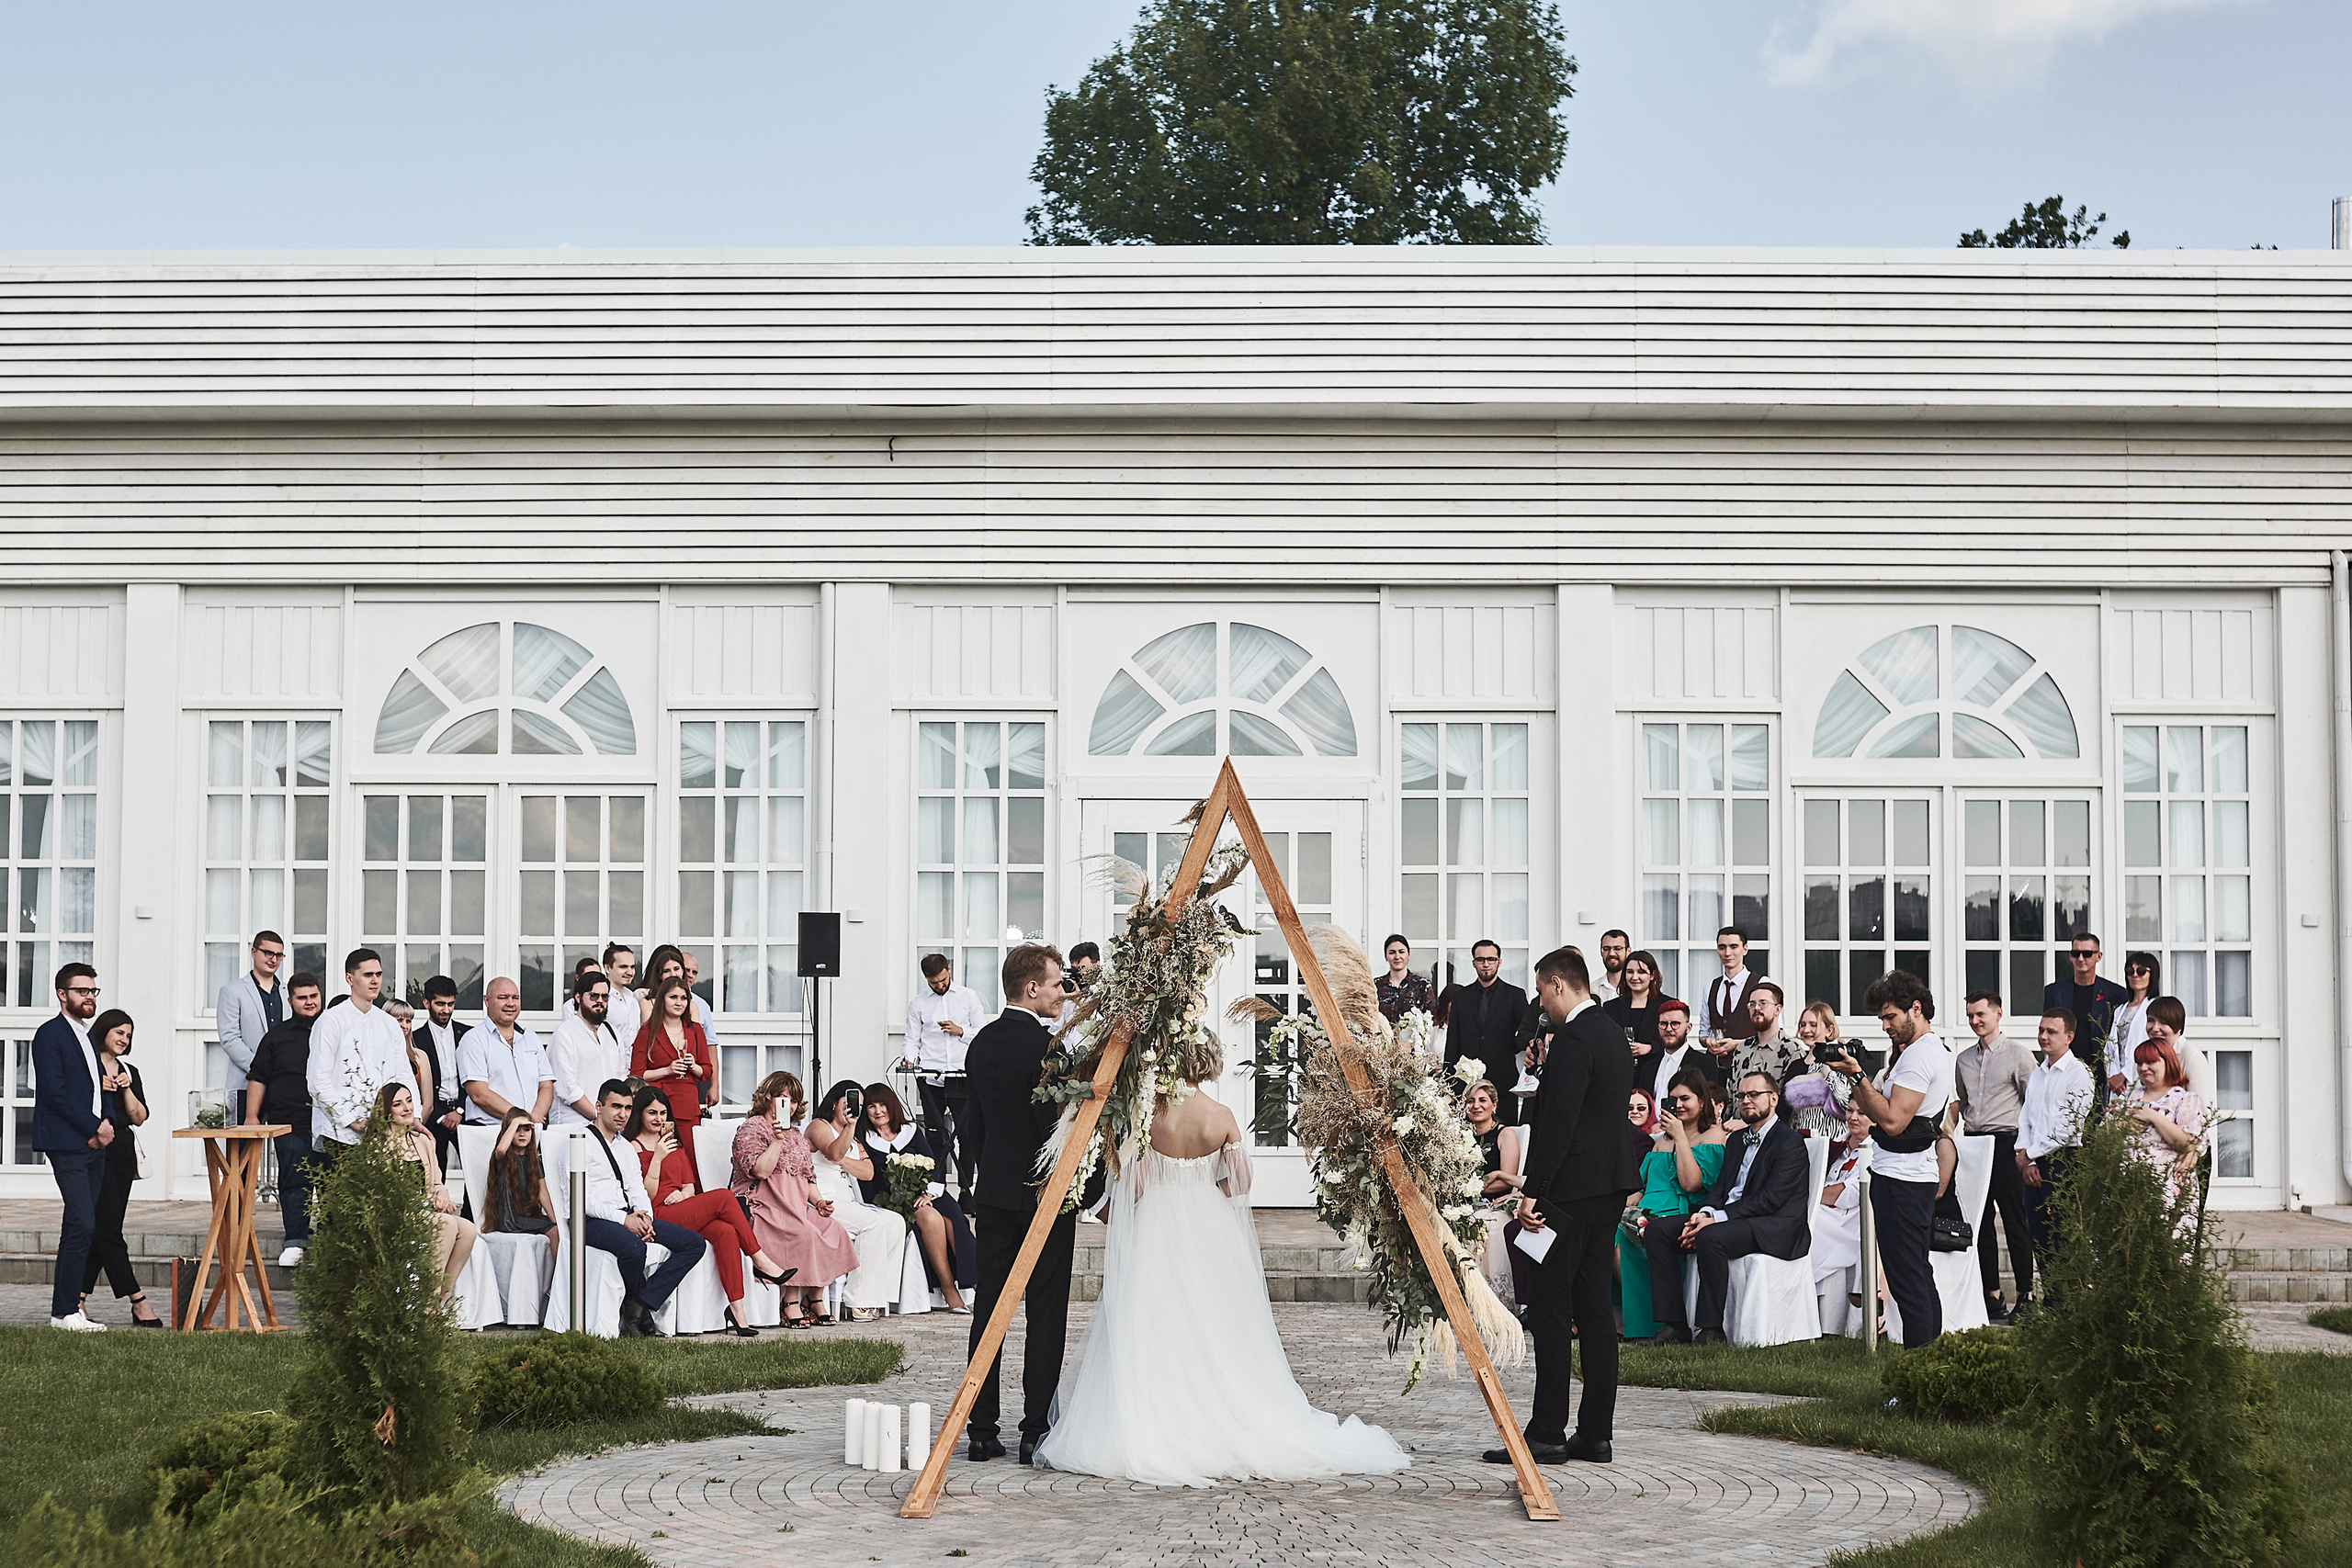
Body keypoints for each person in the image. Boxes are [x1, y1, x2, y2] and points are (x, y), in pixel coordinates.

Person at [1035, 1028, 1408, 1485]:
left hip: (1157, 1225)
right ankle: (1217, 1410)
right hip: (1208, 1229)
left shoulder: (1149, 1115)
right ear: (1208, 1063)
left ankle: (1157, 1413)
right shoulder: (1222, 1117)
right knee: (1213, 1322)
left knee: (1153, 1319)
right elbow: (1237, 1186)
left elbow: (1132, 1187)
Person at [1488, 944, 1637, 1469]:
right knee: (1595, 1309)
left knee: (1552, 1310)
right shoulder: (1613, 1036)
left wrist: (1534, 1192)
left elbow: (1560, 1125)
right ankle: (1596, 1433)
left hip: (1569, 1191)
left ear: (1556, 983)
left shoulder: (1575, 1037)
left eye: (1541, 992)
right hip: (1608, 1188)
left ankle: (1548, 1432)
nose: (1540, 1004)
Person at [962, 942, 1080, 1465]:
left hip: (994, 1194)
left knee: (989, 1309)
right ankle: (1035, 1428)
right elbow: (1058, 1128)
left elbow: (973, 1127)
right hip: (1044, 1196)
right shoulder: (1052, 1048)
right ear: (1031, 987)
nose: (1064, 992)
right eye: (1057, 984)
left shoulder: (980, 1044)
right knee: (1046, 1311)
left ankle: (982, 1430)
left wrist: (973, 1184)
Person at [1828, 970, 1953, 1349]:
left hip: (1903, 1178)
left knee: (1906, 1280)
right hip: (1902, 1176)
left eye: (1891, 1017)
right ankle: (1931, 1364)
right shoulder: (1925, 1051)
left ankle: (1921, 1370)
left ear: (1916, 1008)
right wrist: (1858, 1078)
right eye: (1881, 1019)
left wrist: (1860, 1076)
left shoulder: (1919, 1056)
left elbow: (1893, 1121)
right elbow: (1879, 1108)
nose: (1885, 1027)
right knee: (1915, 1275)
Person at [627, 1086, 794, 1336]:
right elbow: (644, 1196)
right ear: (640, 1114)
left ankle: (738, 1311)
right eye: (652, 1113)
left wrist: (683, 1194)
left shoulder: (674, 1144)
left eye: (663, 1113)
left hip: (681, 1208)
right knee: (725, 1197)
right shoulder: (633, 1147)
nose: (659, 1119)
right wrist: (658, 1158)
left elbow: (690, 1186)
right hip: (655, 1214)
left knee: (725, 1231)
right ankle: (759, 1258)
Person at [1679, 1072, 1812, 1346]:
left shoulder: (1790, 1142)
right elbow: (1720, 1189)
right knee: (1660, 1230)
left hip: (1774, 1226)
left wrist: (1716, 1219)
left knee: (1710, 1237)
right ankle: (1673, 1323)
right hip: (1734, 1218)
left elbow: (1771, 1199)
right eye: (1741, 1096)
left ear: (1773, 1099)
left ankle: (1711, 1329)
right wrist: (1704, 1214)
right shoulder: (1737, 1139)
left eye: (1754, 1095)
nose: (1746, 1100)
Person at [577, 1078, 708, 1337]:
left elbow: (637, 1189)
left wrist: (645, 1217)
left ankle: (640, 1303)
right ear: (599, 1106)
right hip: (591, 1220)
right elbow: (581, 1199)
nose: (622, 1114)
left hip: (630, 1215)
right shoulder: (580, 1142)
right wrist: (625, 1220)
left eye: (627, 1108)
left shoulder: (625, 1148)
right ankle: (638, 1311)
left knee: (694, 1243)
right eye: (616, 1106)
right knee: (634, 1248)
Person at [732, 1071, 856, 1330]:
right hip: (764, 1204)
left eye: (794, 1100)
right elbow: (760, 1171)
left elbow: (808, 1178)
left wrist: (820, 1202)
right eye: (782, 1098)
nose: (789, 1105)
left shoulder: (798, 1136)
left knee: (833, 1230)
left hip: (796, 1204)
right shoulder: (751, 1128)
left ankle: (815, 1296)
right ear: (768, 1099)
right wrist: (777, 1139)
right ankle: (790, 1302)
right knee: (802, 1233)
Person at [1623, 1067, 1728, 1345]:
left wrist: (1681, 1138)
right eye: (1673, 1099)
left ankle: (1651, 1324)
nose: (1678, 1105)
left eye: (1685, 1098)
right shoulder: (1661, 1141)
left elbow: (1691, 1183)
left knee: (1626, 1238)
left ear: (1702, 1102)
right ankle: (1620, 1320)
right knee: (1602, 1230)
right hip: (1643, 1208)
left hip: (1678, 1211)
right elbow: (1640, 1188)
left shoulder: (1713, 1137)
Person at [72, 1009, 161, 1327]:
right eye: (119, 1032)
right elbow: (76, 1106)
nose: (124, 1039)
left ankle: (77, 1300)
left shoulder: (129, 1070)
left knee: (104, 1227)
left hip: (122, 1153)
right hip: (94, 1150)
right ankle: (138, 1300)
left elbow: (139, 1117)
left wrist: (125, 1087)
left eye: (128, 1034)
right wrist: (102, 1089)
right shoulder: (87, 1064)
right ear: (104, 1031)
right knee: (107, 1229)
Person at [1953, 990, 2037, 1324]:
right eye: (1971, 1015)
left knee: (2015, 1220)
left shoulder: (2018, 1055)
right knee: (1979, 1221)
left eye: (1981, 1015)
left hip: (2007, 1141)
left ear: (1998, 1014)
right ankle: (1991, 1294)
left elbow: (2032, 1104)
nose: (1975, 1021)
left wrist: (2027, 1151)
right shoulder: (1962, 1059)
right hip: (1974, 1143)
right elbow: (1962, 1103)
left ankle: (2026, 1295)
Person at [862, 1081, 975, 1313]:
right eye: (871, 1106)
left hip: (926, 1192)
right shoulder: (864, 1139)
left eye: (883, 1104)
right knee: (932, 1219)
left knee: (954, 1218)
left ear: (892, 1106)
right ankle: (947, 1288)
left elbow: (932, 1164)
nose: (878, 1111)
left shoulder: (910, 1131)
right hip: (893, 1200)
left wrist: (928, 1192)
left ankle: (977, 1281)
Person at [308, 949, 424, 1171]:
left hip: (386, 1134)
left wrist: (414, 1115)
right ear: (349, 978)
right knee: (340, 1205)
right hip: (340, 1133)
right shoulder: (331, 1021)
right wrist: (352, 1121)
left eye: (378, 974)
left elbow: (403, 1075)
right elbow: (317, 1080)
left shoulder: (389, 1024)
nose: (375, 980)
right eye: (367, 974)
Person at [806, 1080, 910, 1323]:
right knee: (872, 1224)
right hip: (822, 1198)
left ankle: (879, 1295)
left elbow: (868, 1172)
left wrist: (843, 1160)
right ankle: (859, 1300)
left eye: (858, 1106)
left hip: (849, 1200)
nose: (853, 1109)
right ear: (834, 1103)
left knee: (895, 1222)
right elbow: (833, 1152)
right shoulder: (819, 1126)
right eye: (848, 1103)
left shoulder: (853, 1136)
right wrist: (843, 1154)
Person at [245, 971, 324, 1267]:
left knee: (332, 1185)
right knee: (294, 1183)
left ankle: (332, 1242)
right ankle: (295, 1242)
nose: (309, 1002)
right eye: (302, 997)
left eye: (313, 996)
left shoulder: (333, 1028)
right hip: (289, 1123)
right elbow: (258, 1076)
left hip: (331, 1125)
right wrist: (252, 1116)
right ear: (290, 1000)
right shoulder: (276, 1036)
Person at [373, 1081, 478, 1299]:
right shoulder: (379, 1146)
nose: (407, 1108)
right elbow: (386, 1196)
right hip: (398, 1214)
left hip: (425, 1211)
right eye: (398, 1104)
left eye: (409, 1101)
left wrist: (442, 1196)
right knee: (447, 1224)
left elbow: (437, 1183)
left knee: (468, 1230)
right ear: (386, 1111)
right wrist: (431, 1204)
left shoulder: (423, 1141)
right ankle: (429, 1299)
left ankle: (443, 1295)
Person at [2017, 1009, 2095, 1299]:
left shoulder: (2079, 1074)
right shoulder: (2039, 1072)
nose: (2043, 1036)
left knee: (2064, 1237)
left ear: (2069, 1037)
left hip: (2065, 1162)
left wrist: (2030, 1154)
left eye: (2051, 1031)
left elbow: (2068, 1126)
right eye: (2041, 1030)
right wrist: (2026, 1157)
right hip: (2035, 1160)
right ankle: (2051, 1303)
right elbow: (2025, 1116)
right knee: (2040, 1237)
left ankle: (2069, 1305)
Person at [905, 953, 986, 1194]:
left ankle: (965, 1190)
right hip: (931, 1076)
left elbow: (982, 1034)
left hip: (962, 1074)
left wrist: (961, 1031)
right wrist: (908, 1057)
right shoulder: (918, 1004)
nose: (939, 986)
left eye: (942, 980)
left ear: (948, 969)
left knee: (967, 1136)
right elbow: (912, 1039)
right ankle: (935, 1188)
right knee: (935, 1136)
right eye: (933, 983)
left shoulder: (967, 997)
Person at [1811, 1100, 1877, 1332]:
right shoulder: (1836, 1143)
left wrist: (1807, 1195)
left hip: (1852, 1223)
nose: (1853, 1117)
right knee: (1802, 1218)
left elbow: (1848, 1194)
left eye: (1862, 1112)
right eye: (1850, 1111)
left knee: (1808, 1220)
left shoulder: (1878, 1149)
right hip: (1826, 1214)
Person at [458, 977, 555, 1128]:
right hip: (492, 1130)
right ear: (487, 1000)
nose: (510, 1003)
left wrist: (533, 1118)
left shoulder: (531, 1038)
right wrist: (522, 1117)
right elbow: (479, 1094)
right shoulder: (473, 1040)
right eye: (503, 997)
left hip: (530, 1131)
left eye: (515, 998)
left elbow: (546, 1086)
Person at [2042, 933, 2128, 1100]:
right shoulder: (2055, 992)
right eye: (2076, 954)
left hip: (2102, 1075)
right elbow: (2049, 1030)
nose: (2081, 958)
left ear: (2098, 956)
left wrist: (2119, 1072)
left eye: (2087, 954)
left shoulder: (2115, 994)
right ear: (2070, 957)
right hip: (2064, 1070)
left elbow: (2121, 1037)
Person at [2123, 1034, 2205, 1207]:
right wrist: (2121, 1125)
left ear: (2168, 1062)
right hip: (2125, 1191)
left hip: (2167, 1191)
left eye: (2151, 1062)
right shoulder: (2129, 1097)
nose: (2144, 1068)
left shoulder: (2184, 1099)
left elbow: (2188, 1143)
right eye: (2139, 1063)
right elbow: (2103, 1135)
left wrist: (2153, 1116)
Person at [215, 931, 287, 1126]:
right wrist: (260, 1070)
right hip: (244, 1084)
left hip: (281, 1087)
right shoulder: (232, 991)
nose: (273, 959)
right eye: (268, 953)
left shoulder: (288, 992)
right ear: (254, 952)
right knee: (242, 1150)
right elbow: (230, 1039)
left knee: (283, 1148)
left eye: (278, 955)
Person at [1464, 1079, 1522, 1308]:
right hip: (1462, 1202)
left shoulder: (1505, 1134)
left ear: (1494, 1106)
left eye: (1482, 1100)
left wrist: (1477, 1185)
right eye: (1471, 1101)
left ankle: (1494, 1301)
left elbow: (1507, 1178)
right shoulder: (1460, 1135)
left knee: (1485, 1224)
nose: (1476, 1106)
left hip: (1495, 1204)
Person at [632, 973, 714, 1133]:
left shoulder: (695, 1030)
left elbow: (707, 1071)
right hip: (657, 1106)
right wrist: (667, 1070)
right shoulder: (647, 1031)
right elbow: (637, 1074)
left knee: (688, 1156)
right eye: (673, 997)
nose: (679, 1003)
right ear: (662, 999)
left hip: (687, 1104)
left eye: (684, 998)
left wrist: (693, 1066)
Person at [481, 1107, 560, 1274]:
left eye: (526, 1130)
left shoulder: (534, 1159)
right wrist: (516, 1121)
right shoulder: (502, 1158)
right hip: (509, 1217)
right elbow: (501, 1149)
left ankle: (560, 1279)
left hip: (526, 1215)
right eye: (517, 1130)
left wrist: (556, 1220)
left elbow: (542, 1193)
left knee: (558, 1229)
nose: (522, 1134)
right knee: (554, 1233)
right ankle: (558, 1280)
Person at [1444, 939, 1530, 1082]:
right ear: (1473, 963)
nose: (1486, 964)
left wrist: (1509, 1047)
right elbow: (1453, 1041)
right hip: (1467, 1079)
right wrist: (1448, 1082)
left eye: (1491, 959)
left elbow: (1526, 1030)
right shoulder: (1460, 997)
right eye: (1480, 960)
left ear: (1499, 962)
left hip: (1503, 1077)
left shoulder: (1515, 995)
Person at [549, 969, 628, 1125]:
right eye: (593, 996)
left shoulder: (612, 1033)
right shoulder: (564, 1034)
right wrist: (599, 1119)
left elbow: (621, 1079)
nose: (600, 1001)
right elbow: (568, 1089)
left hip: (609, 1127)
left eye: (605, 997)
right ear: (578, 997)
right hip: (573, 1126)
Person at [413, 975, 468, 1174]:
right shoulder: (416, 1039)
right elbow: (414, 1084)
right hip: (433, 1117)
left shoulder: (468, 1034)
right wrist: (439, 1115)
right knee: (434, 1175)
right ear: (426, 1003)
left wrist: (460, 1111)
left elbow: (476, 1078)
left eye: (451, 1004)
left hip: (466, 1115)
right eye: (440, 1004)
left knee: (476, 1175)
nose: (446, 1010)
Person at [1728, 981, 1806, 1089]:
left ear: (1777, 1009)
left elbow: (1794, 1098)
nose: (1756, 1008)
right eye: (1752, 1004)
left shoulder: (1793, 1050)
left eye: (1763, 1003)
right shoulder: (1741, 1049)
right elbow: (1731, 1095)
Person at [1695, 926, 1765, 1044]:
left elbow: (1773, 1034)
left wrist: (1737, 1044)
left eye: (1733, 947)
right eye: (1722, 948)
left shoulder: (1761, 984)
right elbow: (1703, 1034)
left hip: (1751, 1061)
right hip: (1715, 1061)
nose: (1727, 953)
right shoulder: (1710, 987)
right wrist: (1708, 1042)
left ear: (1745, 949)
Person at [2109, 953, 2161, 1096]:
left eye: (2141, 971)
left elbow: (2156, 1045)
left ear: (2153, 974)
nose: (2135, 975)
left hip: (2141, 1078)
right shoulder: (2120, 1010)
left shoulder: (2156, 1007)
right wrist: (2113, 1076)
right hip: (2117, 1086)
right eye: (2130, 971)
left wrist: (2124, 1075)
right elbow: (2111, 1048)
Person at [1600, 949, 1667, 1056]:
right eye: (1630, 972)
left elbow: (1676, 1042)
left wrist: (1650, 1048)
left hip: (1655, 1068)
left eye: (1641, 972)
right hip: (1622, 1069)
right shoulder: (1610, 1008)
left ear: (1652, 975)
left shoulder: (1666, 1005)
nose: (1635, 977)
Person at [1644, 998, 1702, 1111]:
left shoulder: (1702, 1063)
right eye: (1663, 1024)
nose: (1669, 1029)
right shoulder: (1649, 1066)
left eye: (1675, 1024)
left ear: (1688, 1028)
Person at [1374, 935, 1433, 1026]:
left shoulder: (1422, 985)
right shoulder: (1375, 986)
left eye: (1401, 952)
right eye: (1392, 953)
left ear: (1408, 954)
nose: (1397, 957)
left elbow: (1430, 1019)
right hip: (1384, 1039)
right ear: (1386, 956)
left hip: (1413, 1039)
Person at [602, 943, 643, 1049]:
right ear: (607, 968)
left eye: (632, 967)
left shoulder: (633, 999)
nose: (629, 972)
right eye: (623, 967)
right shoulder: (601, 999)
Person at [1595, 929, 1631, 1003]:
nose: (1611, 953)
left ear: (1628, 951)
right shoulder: (1592, 989)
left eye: (1617, 949)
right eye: (1606, 949)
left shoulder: (1636, 989)